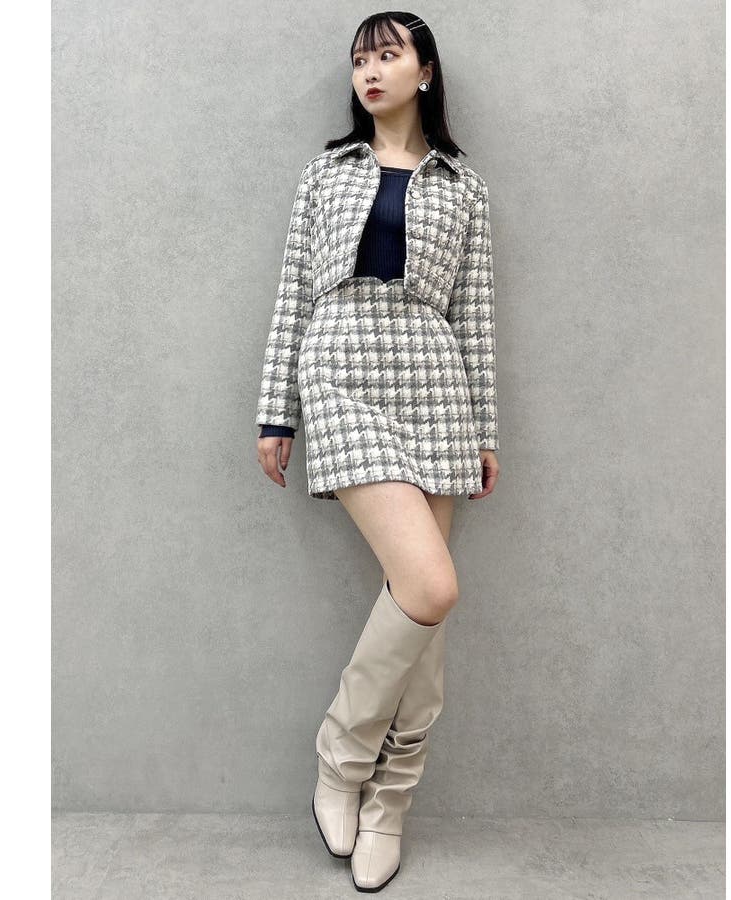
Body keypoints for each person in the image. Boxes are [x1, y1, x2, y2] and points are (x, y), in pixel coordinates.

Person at [254, 12, 500, 892]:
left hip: (435, 386)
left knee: (423, 617)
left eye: (389, 54)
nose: (371, 70)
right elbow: (294, 293)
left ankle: (390, 803)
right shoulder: (326, 173)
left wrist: (485, 429)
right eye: (361, 58)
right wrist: (276, 413)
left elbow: (475, 312)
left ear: (425, 72)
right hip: (342, 370)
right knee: (430, 587)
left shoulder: (464, 187)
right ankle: (341, 757)